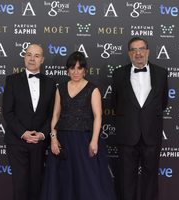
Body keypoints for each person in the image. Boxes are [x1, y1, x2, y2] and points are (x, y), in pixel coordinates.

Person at [40, 51, 117, 200]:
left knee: (87, 179)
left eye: (79, 68)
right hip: (63, 140)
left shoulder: (92, 89)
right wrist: (54, 139)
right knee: (62, 180)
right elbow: (55, 115)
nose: (76, 72)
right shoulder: (60, 88)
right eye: (72, 68)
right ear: (67, 70)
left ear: (85, 70)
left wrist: (94, 141)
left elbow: (98, 116)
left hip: (84, 139)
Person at [112, 37, 168, 200]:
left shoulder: (161, 73)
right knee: (125, 180)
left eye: (141, 49)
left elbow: (163, 102)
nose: (138, 53)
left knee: (151, 180)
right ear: (129, 53)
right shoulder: (118, 74)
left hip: (151, 135)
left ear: (148, 51)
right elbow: (115, 104)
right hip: (127, 135)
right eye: (134, 50)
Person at [2, 44, 56, 200]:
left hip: (39, 143)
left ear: (42, 60)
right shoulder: (11, 80)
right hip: (16, 142)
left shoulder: (51, 83)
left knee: (37, 185)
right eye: (29, 54)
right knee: (20, 186)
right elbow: (8, 111)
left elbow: (52, 114)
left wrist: (42, 134)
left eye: (37, 55)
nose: (32, 58)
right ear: (24, 57)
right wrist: (23, 133)